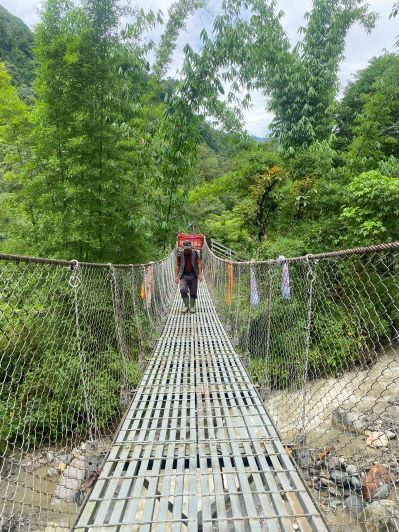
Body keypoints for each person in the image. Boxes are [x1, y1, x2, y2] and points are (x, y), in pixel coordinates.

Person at [176, 240, 203, 313]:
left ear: (190, 247)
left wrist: (200, 274)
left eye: (188, 248)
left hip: (193, 275)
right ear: (184, 248)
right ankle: (186, 305)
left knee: (193, 291)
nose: (187, 249)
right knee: (182, 289)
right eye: (186, 248)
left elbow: (199, 263)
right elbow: (178, 265)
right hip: (183, 275)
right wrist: (177, 276)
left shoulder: (195, 253)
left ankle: (192, 306)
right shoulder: (179, 254)